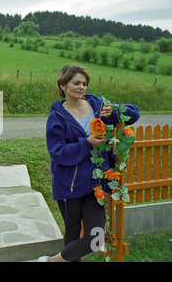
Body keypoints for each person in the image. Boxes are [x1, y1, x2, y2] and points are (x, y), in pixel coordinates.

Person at [40, 64, 140, 262]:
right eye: (76, 83)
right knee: (72, 234)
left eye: (84, 83)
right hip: (70, 185)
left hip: (96, 185)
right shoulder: (57, 117)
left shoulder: (97, 105)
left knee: (95, 239)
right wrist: (86, 143)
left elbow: (134, 114)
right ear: (63, 85)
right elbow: (58, 153)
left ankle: (50, 261)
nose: (82, 87)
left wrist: (113, 114)